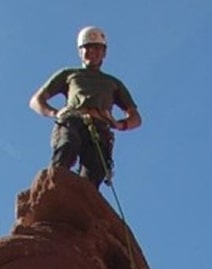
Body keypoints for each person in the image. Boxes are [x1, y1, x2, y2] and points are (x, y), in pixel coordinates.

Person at [29, 26, 141, 187]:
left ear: (104, 53)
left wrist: (118, 124)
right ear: (80, 51)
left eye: (96, 48)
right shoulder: (69, 74)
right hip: (73, 119)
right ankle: (53, 190)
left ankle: (78, 204)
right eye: (87, 48)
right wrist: (55, 112)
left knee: (94, 170)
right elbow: (36, 101)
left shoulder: (113, 83)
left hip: (100, 127)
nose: (91, 52)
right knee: (67, 146)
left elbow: (136, 117)